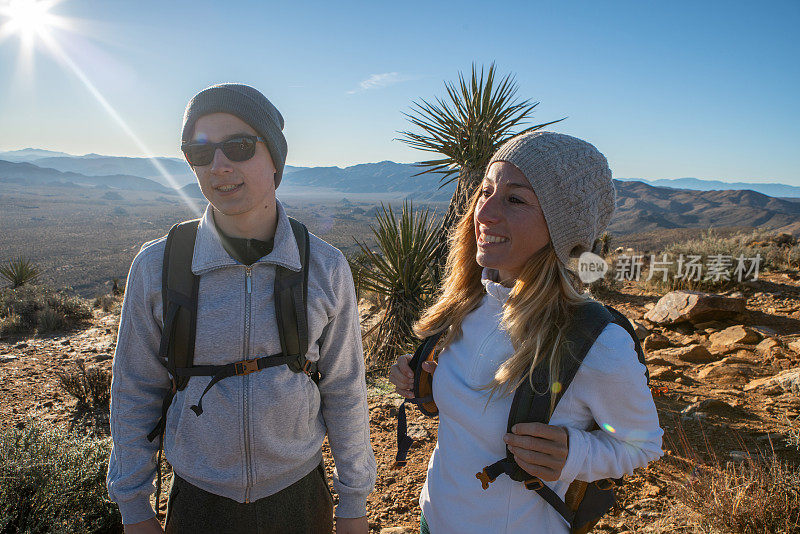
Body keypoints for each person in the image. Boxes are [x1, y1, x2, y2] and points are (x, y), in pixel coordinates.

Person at [107, 83, 376, 534]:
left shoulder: (324, 267)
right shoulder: (158, 266)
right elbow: (135, 391)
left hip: (299, 498)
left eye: (238, 146)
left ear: (275, 158)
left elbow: (346, 389)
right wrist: (134, 507)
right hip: (198, 501)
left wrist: (352, 503)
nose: (218, 166)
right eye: (199, 151)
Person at [389, 131, 663, 533]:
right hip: (435, 517)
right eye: (485, 191)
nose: (484, 213)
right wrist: (422, 383)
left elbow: (643, 444)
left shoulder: (594, 341)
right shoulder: (468, 303)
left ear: (563, 227)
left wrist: (577, 454)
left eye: (515, 199)